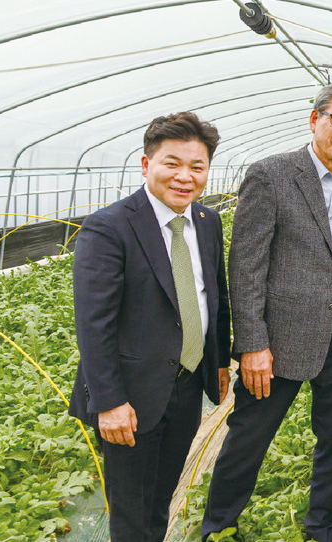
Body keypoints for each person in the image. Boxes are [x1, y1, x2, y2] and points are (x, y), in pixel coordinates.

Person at [201, 83, 332, 542]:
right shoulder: (272, 174)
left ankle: (325, 528)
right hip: (276, 343)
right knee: (248, 438)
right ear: (314, 118)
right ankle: (218, 527)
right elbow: (246, 266)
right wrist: (254, 344)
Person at [69, 112, 231, 542]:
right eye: (172, 163)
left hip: (186, 385)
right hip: (132, 396)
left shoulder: (206, 221)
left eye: (197, 167)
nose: (185, 177)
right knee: (131, 510)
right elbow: (93, 322)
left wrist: (217, 364)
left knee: (161, 497)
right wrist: (109, 401)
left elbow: (214, 297)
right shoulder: (110, 227)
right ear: (146, 166)